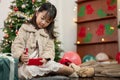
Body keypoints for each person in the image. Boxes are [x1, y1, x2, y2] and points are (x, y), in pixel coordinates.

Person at [11, 2, 94, 79]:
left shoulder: (47, 34)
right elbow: (17, 45)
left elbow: (50, 50)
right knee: (27, 72)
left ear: (51, 22)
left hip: (41, 64)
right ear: (37, 13)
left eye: (47, 21)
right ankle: (66, 71)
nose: (43, 23)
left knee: (52, 65)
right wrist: (21, 55)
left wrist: (45, 59)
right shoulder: (25, 28)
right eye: (42, 18)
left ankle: (76, 71)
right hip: (25, 65)